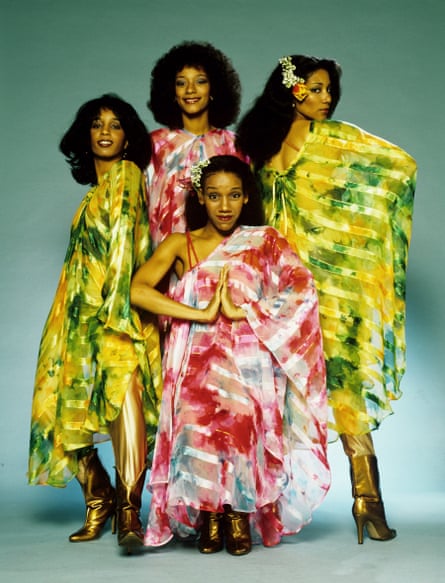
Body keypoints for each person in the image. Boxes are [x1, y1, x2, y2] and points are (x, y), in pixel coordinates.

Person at [236, 55, 417, 544]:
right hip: (275, 284)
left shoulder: (334, 138)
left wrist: (345, 240)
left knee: (341, 384)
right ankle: (259, 507)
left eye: (328, 90)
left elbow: (398, 169)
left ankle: (368, 501)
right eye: (315, 89)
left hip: (327, 286)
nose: (326, 98)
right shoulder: (257, 145)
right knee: (266, 388)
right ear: (291, 91)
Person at [130, 155, 330, 555]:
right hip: (194, 360)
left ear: (245, 198)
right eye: (215, 195)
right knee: (197, 433)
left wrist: (248, 310)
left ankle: (238, 514)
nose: (225, 205)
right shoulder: (179, 243)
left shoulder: (265, 241)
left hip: (249, 360)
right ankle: (210, 516)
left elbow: (302, 289)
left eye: (234, 195)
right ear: (200, 198)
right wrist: (200, 312)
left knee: (242, 430)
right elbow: (139, 290)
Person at [28, 94, 162, 553]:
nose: (105, 131)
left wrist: (119, 313)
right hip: (76, 314)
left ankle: (129, 510)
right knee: (60, 405)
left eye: (116, 124)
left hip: (115, 311)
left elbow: (125, 245)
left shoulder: (126, 177)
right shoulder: (92, 193)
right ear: (85, 136)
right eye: (96, 124)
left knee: (126, 408)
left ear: (128, 139)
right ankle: (98, 496)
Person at [146, 41, 247, 249]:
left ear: (214, 88)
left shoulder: (235, 145)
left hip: (221, 258)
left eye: (200, 81)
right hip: (163, 257)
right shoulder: (154, 145)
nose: (190, 90)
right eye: (181, 83)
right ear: (172, 92)